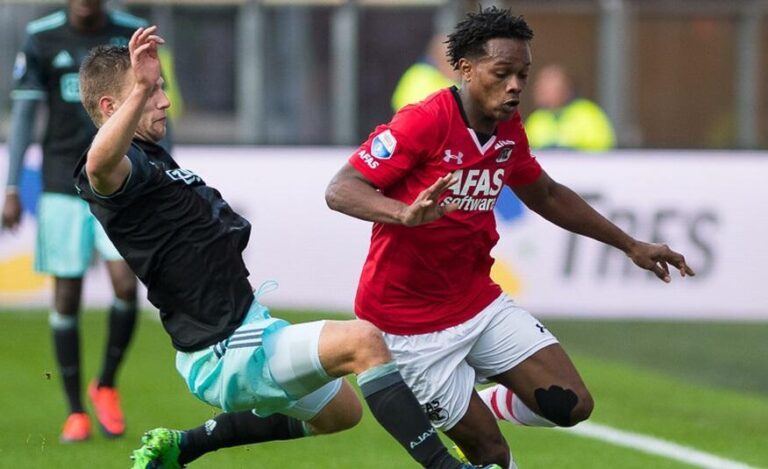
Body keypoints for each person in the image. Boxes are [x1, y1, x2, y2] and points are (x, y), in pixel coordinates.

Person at [75, 27, 495, 469]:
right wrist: (139, 90)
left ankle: (184, 446)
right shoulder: (119, 172)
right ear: (110, 107)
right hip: (223, 349)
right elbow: (99, 164)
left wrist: (142, 90)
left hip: (243, 329)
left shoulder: (154, 159)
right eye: (149, 92)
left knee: (341, 412)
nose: (163, 100)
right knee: (364, 341)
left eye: (160, 88)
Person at [324, 7, 694, 469]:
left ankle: (483, 403)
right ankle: (467, 412)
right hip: (407, 325)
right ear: (466, 69)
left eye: (522, 74)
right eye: (502, 74)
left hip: (476, 302)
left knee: (572, 404)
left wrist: (630, 245)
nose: (515, 85)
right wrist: (403, 213)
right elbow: (341, 189)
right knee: (493, 455)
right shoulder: (425, 120)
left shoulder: (507, 129)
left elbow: (547, 194)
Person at [0, 0, 153, 443]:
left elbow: (153, 104)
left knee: (126, 286)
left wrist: (164, 170)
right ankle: (75, 412)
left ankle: (105, 384)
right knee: (66, 296)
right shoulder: (42, 36)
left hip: (121, 181)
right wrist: (12, 186)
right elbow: (25, 113)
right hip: (61, 183)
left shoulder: (130, 33)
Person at [524, 63, 616, 151]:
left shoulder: (587, 113)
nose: (541, 92)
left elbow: (604, 148)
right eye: (540, 88)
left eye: (548, 88)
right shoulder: (536, 119)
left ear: (565, 88)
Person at [391, 33, 459, 112]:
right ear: (437, 59)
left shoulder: (460, 82)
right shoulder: (420, 76)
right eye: (448, 62)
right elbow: (405, 108)